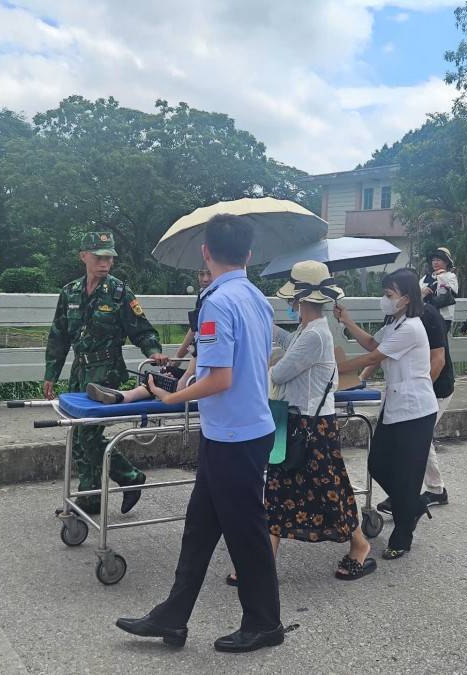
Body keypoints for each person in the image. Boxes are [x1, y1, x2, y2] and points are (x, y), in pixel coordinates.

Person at [116, 215, 284, 653]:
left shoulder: (217, 302)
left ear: (205, 252)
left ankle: (265, 624)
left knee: (246, 533)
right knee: (199, 529)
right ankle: (172, 617)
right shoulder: (255, 297)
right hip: (239, 431)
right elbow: (237, 363)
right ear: (248, 254)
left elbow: (221, 378)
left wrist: (171, 397)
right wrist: (190, 373)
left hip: (234, 437)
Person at [225, 260, 375, 584]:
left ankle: (360, 544)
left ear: (298, 299)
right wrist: (264, 323)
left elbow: (279, 373)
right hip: (296, 422)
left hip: (312, 427)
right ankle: (263, 561)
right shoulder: (308, 329)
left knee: (328, 489)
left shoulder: (315, 335)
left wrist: (262, 364)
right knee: (278, 491)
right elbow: (287, 342)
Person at [43, 232, 166, 516]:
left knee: (87, 434)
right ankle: (109, 488)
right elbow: (58, 336)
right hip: (80, 371)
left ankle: (113, 485)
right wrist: (51, 373)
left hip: (106, 372)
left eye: (109, 258)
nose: (105, 263)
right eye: (99, 257)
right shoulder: (70, 293)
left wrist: (153, 351)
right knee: (78, 436)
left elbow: (142, 329)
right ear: (83, 256)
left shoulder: (120, 293)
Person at [335, 269, 439, 560]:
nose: (385, 299)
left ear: (406, 298)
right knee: (378, 463)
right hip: (395, 406)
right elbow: (372, 343)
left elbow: (373, 357)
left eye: (389, 294)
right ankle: (413, 505)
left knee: (407, 474)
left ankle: (403, 536)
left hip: (416, 411)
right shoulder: (395, 323)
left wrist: (332, 369)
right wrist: (347, 321)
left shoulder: (412, 328)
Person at [85, 267, 213, 404]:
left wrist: (187, 375)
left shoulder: (214, 302)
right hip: (203, 369)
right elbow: (194, 330)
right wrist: (177, 359)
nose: (205, 279)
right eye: (201, 274)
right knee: (167, 373)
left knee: (171, 379)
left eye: (209, 274)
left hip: (211, 375)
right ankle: (124, 395)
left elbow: (203, 345)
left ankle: (124, 396)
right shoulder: (204, 296)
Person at [376, 299, 454, 512]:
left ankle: (411, 495)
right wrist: (360, 377)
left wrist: (420, 393)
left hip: (434, 390)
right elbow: (381, 351)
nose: (387, 298)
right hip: (404, 392)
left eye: (391, 293)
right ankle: (430, 491)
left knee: (414, 443)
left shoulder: (427, 315)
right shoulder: (393, 317)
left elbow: (438, 359)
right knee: (417, 442)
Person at [421, 246, 459, 333]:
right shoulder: (425, 278)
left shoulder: (451, 276)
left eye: (438, 260)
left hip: (444, 317)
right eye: (433, 260)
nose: (435, 262)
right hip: (427, 315)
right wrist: (423, 292)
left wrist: (441, 276)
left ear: (446, 262)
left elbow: (453, 292)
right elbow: (417, 292)